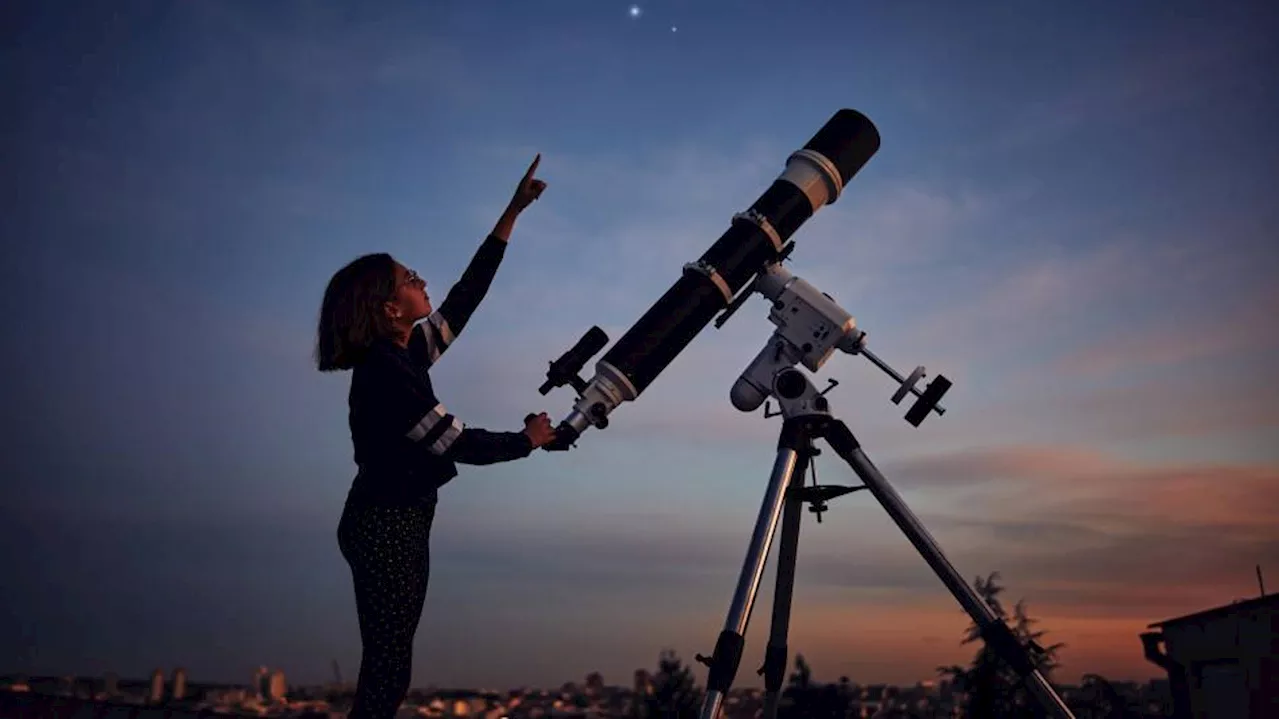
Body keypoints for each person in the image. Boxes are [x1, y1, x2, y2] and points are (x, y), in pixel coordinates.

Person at [314, 155, 557, 719]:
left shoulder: (402, 353)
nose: (422, 281)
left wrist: (513, 211)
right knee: (388, 674)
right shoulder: (388, 374)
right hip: (387, 528)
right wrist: (528, 439)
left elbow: (466, 297)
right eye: (409, 280)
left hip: (393, 520)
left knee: (389, 668)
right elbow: (456, 442)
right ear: (390, 308)